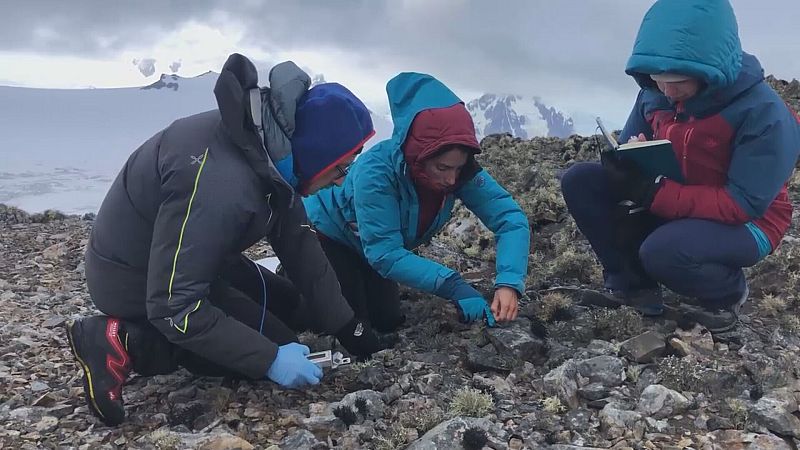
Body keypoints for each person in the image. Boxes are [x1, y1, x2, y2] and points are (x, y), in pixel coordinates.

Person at [65, 53, 395, 427]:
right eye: (340, 167)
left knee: (290, 307)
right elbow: (175, 307)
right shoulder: (222, 184)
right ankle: (122, 341)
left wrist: (347, 326)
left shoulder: (271, 153)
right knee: (265, 348)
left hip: (200, 260)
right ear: (316, 152)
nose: (340, 179)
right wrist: (268, 359)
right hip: (134, 279)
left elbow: (299, 246)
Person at [560, 0, 800, 332]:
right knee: (581, 181)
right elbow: (633, 146)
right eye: (660, 79)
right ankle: (634, 286)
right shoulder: (654, 93)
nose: (669, 91)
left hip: (751, 222)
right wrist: (623, 165)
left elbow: (743, 203)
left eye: (679, 81)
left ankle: (726, 292)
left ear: (710, 70)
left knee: (664, 251)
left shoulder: (765, 115)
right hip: (676, 198)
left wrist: (652, 192)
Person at [303, 72, 530, 332]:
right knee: (347, 324)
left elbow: (509, 219)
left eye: (459, 167)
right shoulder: (376, 172)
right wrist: (454, 285)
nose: (451, 178)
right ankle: (295, 275)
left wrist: (508, 283)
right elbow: (385, 254)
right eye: (442, 168)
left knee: (386, 321)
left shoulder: (461, 172)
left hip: (370, 245)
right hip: (328, 233)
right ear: (417, 156)